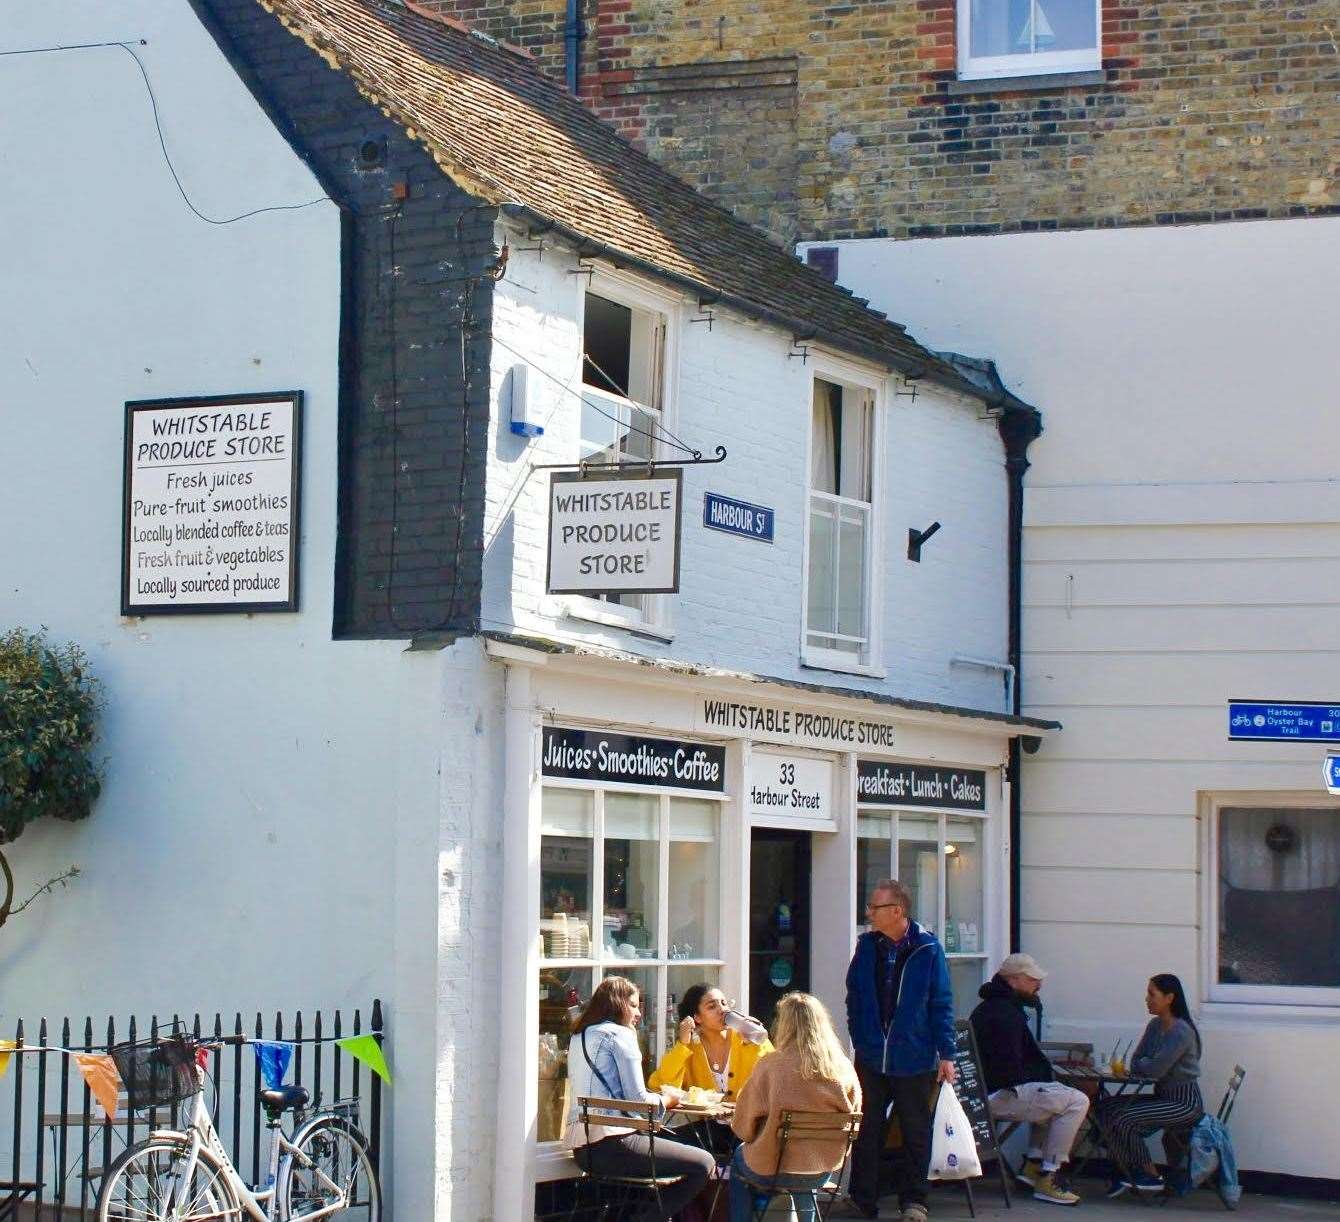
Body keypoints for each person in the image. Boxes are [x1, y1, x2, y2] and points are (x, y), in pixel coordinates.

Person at [844, 879, 956, 1222]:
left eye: (874, 907)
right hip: (872, 1054)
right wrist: (861, 1037)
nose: (868, 913)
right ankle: (863, 1200)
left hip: (914, 1055)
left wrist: (947, 1052)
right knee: (867, 1129)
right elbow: (855, 995)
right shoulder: (867, 946)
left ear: (897, 911)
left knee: (915, 1130)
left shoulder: (928, 949)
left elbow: (941, 1003)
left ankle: (914, 1201)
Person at [564, 975, 716, 1220]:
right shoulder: (621, 1034)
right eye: (633, 1005)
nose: (637, 1014)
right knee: (704, 1164)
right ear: (617, 1004)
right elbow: (638, 1100)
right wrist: (668, 1099)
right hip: (615, 1146)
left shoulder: (580, 1035)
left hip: (584, 1153)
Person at [728, 992, 862, 1222]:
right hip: (822, 1167)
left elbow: (743, 1125)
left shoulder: (772, 1065)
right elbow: (854, 1116)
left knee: (739, 1163)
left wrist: (755, 1135)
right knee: (804, 1167)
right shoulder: (842, 1067)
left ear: (784, 1024)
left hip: (774, 1168)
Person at [970, 953, 1087, 1206]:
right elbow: (1008, 1068)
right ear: (1013, 980)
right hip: (999, 1093)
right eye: (1032, 979)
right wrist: (1043, 1079)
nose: (1038, 985)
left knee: (1053, 1097)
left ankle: (1033, 1164)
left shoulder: (992, 1008)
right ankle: (1048, 1175)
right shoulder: (1005, 1014)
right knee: (1076, 1101)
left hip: (985, 1091)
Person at [1099, 973, 1204, 1197]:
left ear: (1169, 998)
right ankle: (1126, 1170)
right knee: (1106, 1108)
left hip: (1183, 1103)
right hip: (1162, 1096)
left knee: (1125, 1118)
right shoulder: (1155, 1025)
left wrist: (1149, 1063)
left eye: (1151, 994)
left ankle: (1150, 1175)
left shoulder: (1181, 1032)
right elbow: (1137, 1060)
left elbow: (1154, 1070)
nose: (1147, 999)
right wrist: (1150, 1062)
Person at [650, 983, 774, 1157]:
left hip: (750, 1129)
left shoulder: (747, 1040)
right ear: (696, 1017)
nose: (722, 1010)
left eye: (724, 1003)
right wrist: (682, 1044)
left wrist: (753, 1047)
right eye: (712, 1006)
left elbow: (772, 1077)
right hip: (710, 1131)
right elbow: (661, 1085)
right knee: (658, 1141)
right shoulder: (691, 1048)